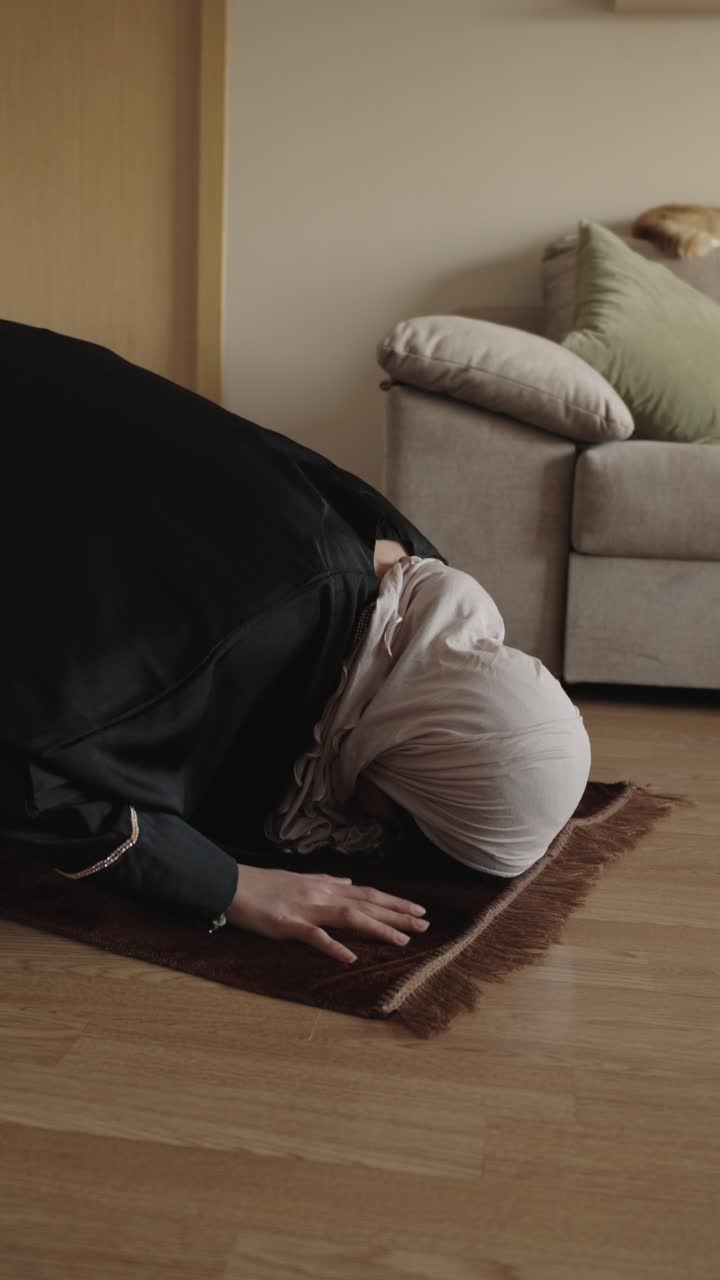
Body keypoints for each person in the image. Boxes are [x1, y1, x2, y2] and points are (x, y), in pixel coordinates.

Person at [0, 319, 590, 967]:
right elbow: (30, 766)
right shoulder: (243, 630)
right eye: (392, 820)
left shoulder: (410, 587)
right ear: (401, 753)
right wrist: (228, 883)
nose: (364, 837)